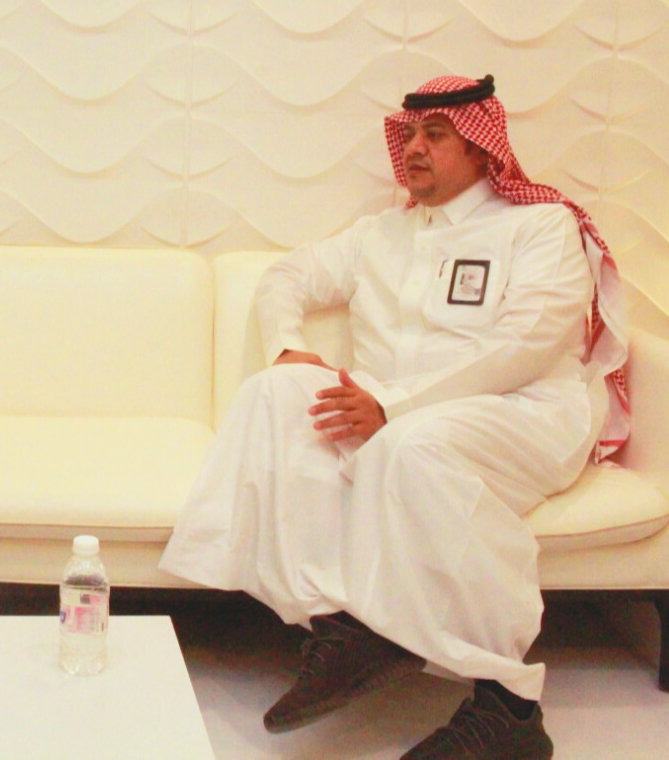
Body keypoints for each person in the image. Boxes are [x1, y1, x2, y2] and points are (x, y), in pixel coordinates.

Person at [159, 75, 629, 758]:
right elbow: (287, 277)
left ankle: (509, 706)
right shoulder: (381, 233)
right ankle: (344, 626)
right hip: (396, 410)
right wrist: (288, 346)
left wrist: (394, 407)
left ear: (481, 148)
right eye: (409, 134)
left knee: (410, 447)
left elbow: (523, 346)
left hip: (523, 409)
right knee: (274, 395)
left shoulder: (537, 226)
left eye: (435, 135)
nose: (414, 148)